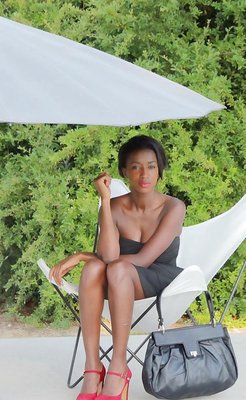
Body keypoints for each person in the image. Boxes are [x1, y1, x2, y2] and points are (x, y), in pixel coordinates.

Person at [49, 135, 186, 400]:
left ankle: (118, 366)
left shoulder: (174, 207)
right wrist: (105, 199)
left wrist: (81, 255)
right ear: (124, 171)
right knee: (94, 270)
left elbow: (143, 259)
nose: (144, 174)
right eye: (135, 167)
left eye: (151, 166)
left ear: (159, 169)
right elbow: (109, 256)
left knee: (113, 268)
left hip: (159, 279)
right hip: (119, 280)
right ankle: (92, 368)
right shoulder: (114, 206)